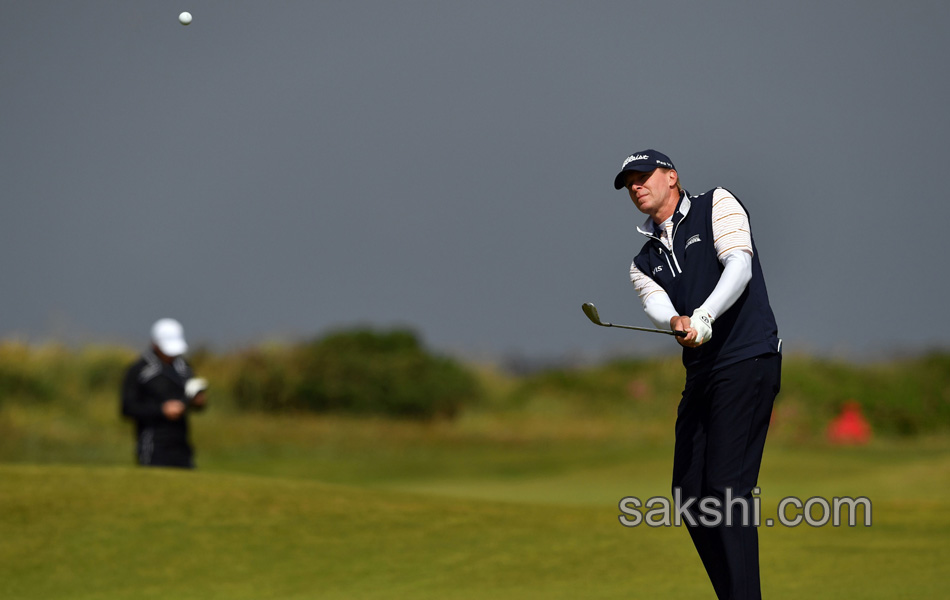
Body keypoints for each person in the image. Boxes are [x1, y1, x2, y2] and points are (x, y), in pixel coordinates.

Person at [614, 149, 782, 600]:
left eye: (643, 176)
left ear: (672, 177)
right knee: (690, 494)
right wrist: (676, 322)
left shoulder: (717, 204)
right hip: (703, 372)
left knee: (726, 491)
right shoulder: (643, 260)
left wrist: (704, 316)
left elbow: (739, 266)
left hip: (748, 359)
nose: (635, 186)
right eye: (628, 182)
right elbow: (657, 304)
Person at [121, 318, 208, 469]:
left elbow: (192, 397)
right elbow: (127, 408)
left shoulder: (183, 367)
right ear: (155, 344)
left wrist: (197, 401)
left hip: (181, 442)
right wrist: (161, 410)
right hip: (153, 443)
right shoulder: (139, 370)